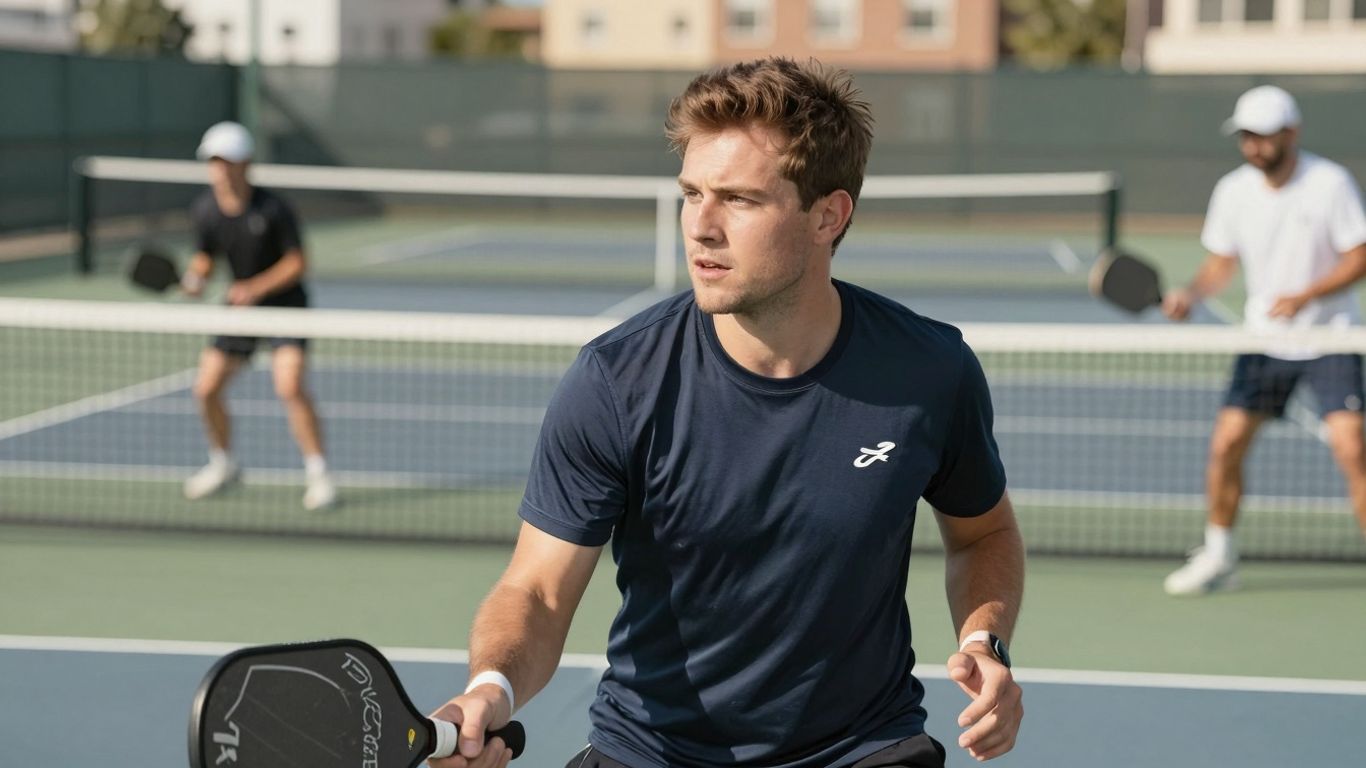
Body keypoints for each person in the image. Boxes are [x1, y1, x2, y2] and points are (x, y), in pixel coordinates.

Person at [429, 58, 1025, 768]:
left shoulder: (930, 372)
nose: (701, 228)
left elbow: (983, 532)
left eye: (739, 200)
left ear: (827, 216)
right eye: (691, 194)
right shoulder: (615, 381)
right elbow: (537, 589)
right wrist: (490, 687)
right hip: (652, 751)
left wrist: (983, 641)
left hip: (860, 748)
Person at [1162, 85, 1366, 595]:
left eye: (1264, 136)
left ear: (1291, 134)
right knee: (1227, 443)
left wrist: (1307, 295)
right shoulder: (1233, 190)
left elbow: (1359, 255)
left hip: (1330, 339)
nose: (1254, 146)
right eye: (1246, 136)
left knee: (1352, 447)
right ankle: (1219, 555)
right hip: (1263, 340)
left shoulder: (1330, 183)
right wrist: (1190, 293)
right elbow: (1220, 263)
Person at [180, 120, 337, 512]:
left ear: (246, 163)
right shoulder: (205, 210)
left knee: (289, 387)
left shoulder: (273, 208)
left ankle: (319, 475)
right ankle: (223, 463)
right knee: (206, 388)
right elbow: (205, 257)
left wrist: (255, 287)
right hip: (240, 313)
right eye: (214, 161)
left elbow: (297, 262)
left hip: (286, 309)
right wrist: (196, 277)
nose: (220, 169)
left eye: (227, 161)